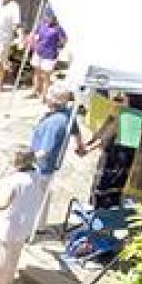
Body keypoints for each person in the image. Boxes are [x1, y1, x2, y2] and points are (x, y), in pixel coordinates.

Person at [0, 148, 42, 284]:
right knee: (15, 254)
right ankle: (8, 279)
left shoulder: (13, 181)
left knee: (2, 256)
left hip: (10, 225)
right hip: (26, 222)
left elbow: (2, 205)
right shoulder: (36, 174)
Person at [31, 85, 85, 228]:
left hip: (41, 166)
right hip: (46, 165)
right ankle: (39, 226)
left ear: (54, 100)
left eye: (48, 94)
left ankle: (35, 227)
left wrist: (24, 160)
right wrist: (79, 145)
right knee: (43, 197)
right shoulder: (67, 114)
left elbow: (45, 150)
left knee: (37, 199)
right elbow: (76, 131)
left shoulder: (55, 122)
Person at [27, 10, 66, 101]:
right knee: (36, 72)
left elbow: (63, 41)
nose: (48, 18)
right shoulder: (42, 25)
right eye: (47, 16)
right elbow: (36, 35)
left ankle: (44, 95)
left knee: (46, 75)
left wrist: (59, 46)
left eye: (50, 17)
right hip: (39, 51)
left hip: (50, 54)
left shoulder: (58, 28)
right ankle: (35, 90)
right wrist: (33, 41)